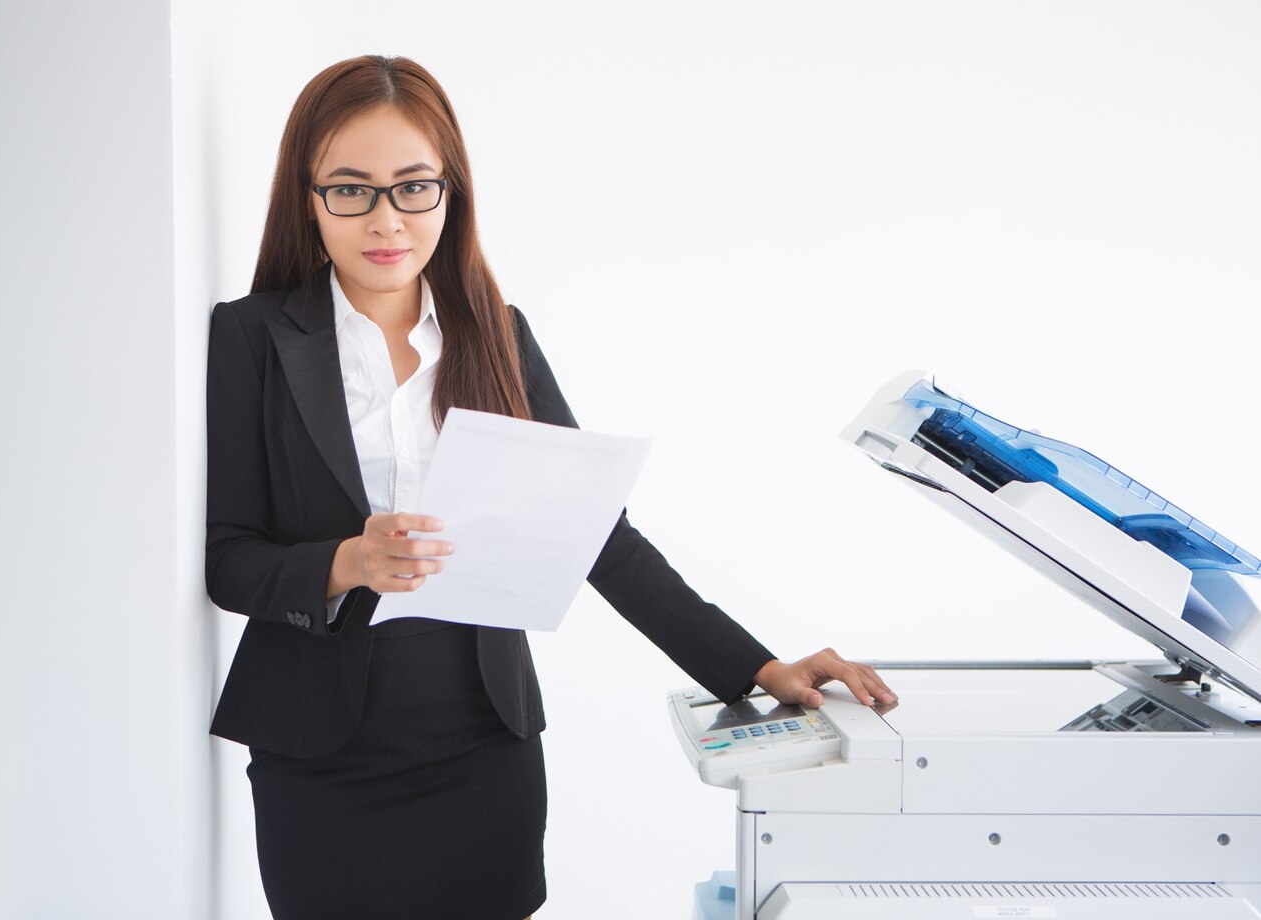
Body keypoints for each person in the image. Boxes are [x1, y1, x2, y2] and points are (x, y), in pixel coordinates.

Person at [205, 54, 896, 920]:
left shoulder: (495, 336)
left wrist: (756, 666)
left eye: (414, 187)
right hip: (320, 748)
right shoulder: (251, 339)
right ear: (309, 197)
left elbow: (602, 537)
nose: (387, 219)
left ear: (450, 191)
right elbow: (228, 560)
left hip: (481, 738)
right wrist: (345, 562)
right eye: (352, 189)